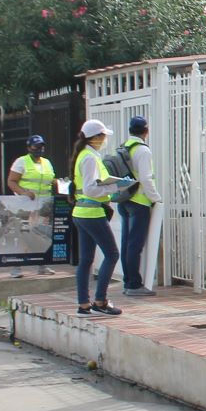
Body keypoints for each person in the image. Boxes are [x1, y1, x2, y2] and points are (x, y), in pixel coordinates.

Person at [71, 118, 133, 316]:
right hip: (92, 212)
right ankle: (100, 301)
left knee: (86, 259)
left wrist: (112, 188)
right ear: (95, 137)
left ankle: (84, 304)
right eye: (103, 135)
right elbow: (90, 188)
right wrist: (117, 186)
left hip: (82, 212)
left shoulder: (84, 155)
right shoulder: (89, 157)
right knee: (112, 254)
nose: (105, 139)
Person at [118, 115, 162, 296]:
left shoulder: (124, 147)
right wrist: (156, 198)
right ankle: (134, 285)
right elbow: (145, 178)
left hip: (125, 199)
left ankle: (128, 281)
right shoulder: (143, 151)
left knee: (126, 243)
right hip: (140, 201)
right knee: (135, 245)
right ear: (146, 131)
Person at [6, 134, 55, 276]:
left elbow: (49, 180)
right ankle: (16, 268)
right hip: (26, 205)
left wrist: (58, 183)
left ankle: (42, 266)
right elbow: (11, 181)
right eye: (36, 146)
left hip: (43, 206)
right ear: (29, 147)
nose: (39, 149)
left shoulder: (47, 163)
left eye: (41, 146)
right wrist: (23, 192)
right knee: (22, 234)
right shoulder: (21, 162)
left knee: (42, 236)